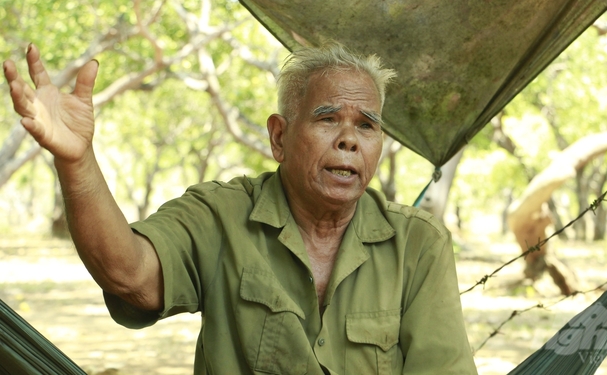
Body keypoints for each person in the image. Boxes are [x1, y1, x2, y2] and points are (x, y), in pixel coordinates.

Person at [3, 43, 478, 375]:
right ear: (279, 137)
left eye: (367, 125)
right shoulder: (221, 214)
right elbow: (130, 275)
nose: (349, 139)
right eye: (327, 118)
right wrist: (77, 160)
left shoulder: (418, 245)